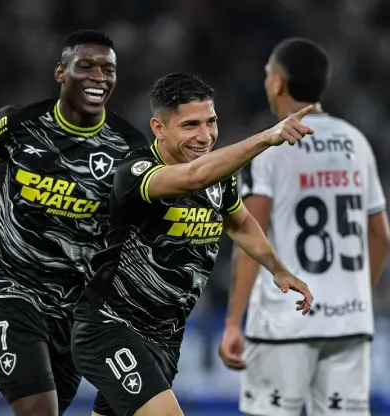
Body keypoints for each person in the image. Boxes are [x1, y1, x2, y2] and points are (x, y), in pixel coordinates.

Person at [0, 29, 150, 416]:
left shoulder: (130, 150)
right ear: (60, 72)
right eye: (85, 66)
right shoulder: (16, 125)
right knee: (38, 410)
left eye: (108, 69)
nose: (98, 77)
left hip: (74, 306)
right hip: (9, 287)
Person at [71, 72, 315, 416]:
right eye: (190, 126)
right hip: (110, 327)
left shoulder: (219, 177)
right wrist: (268, 137)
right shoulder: (136, 172)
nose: (205, 136)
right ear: (159, 128)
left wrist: (278, 269)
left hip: (164, 338)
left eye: (211, 122)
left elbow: (240, 222)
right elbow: (192, 177)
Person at [218, 38, 390, 416]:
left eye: (268, 74)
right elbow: (382, 236)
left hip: (284, 324)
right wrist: (357, 297)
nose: (266, 82)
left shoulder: (271, 146)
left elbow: (252, 235)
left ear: (278, 83)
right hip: (348, 322)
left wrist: (234, 322)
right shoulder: (356, 142)